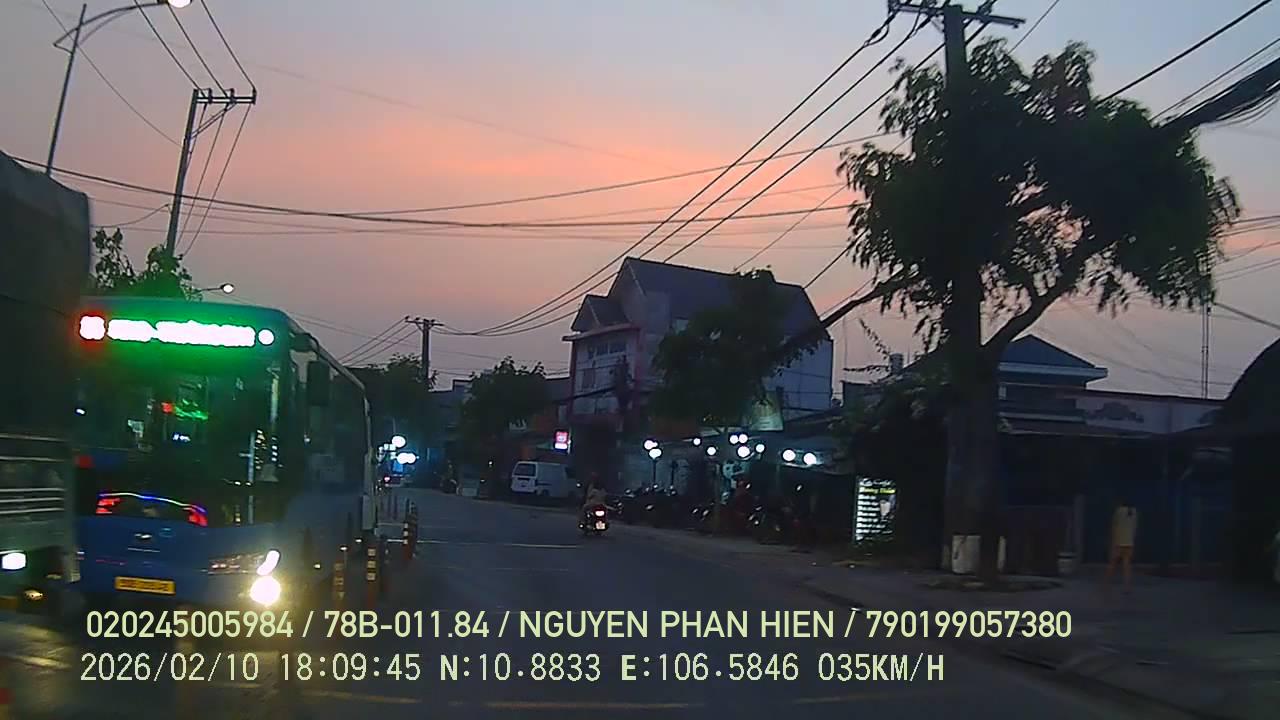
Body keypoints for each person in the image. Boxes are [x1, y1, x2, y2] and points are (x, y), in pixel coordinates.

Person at [1106, 500, 1139, 591]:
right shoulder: (1134, 511)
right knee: (1126, 565)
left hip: (1119, 541)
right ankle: (1127, 586)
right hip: (1129, 542)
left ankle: (1107, 584)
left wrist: (1113, 541)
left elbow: (1114, 526)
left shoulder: (1119, 511)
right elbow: (1135, 528)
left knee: (1112, 563)